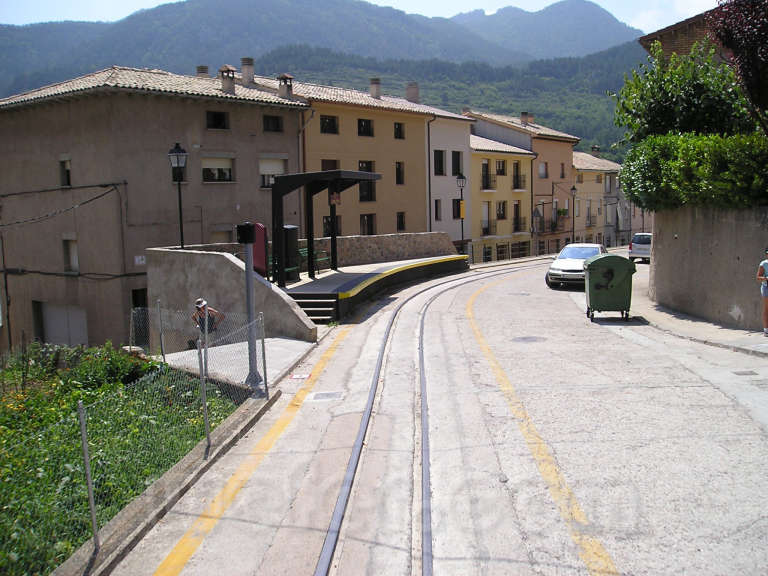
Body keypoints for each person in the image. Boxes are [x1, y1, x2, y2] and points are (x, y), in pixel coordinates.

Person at [757, 249, 768, 336]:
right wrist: (766, 278)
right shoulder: (763, 263)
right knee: (766, 308)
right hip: (766, 287)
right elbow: (758, 277)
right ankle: (766, 330)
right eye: (767, 253)